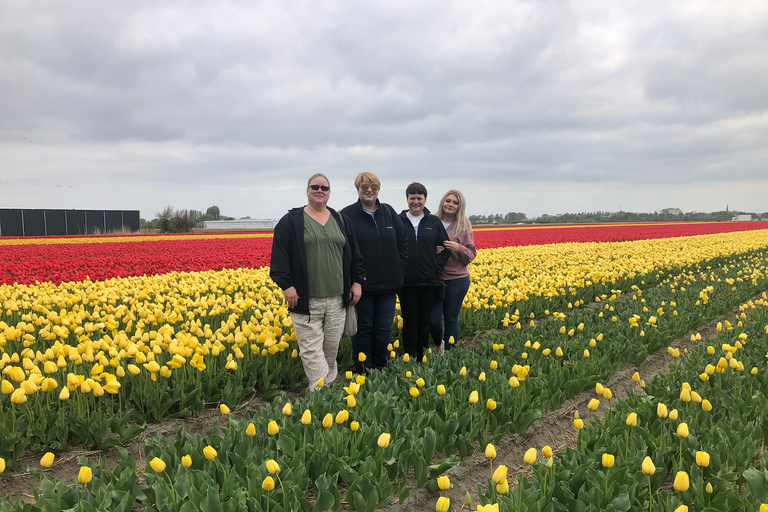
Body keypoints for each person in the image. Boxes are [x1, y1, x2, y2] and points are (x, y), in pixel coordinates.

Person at [270, 173, 365, 391]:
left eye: (324, 187)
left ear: (329, 192)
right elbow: (279, 256)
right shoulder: (291, 221)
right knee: (312, 349)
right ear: (307, 190)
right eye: (315, 187)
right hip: (306, 299)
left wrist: (357, 282)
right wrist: (287, 285)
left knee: (330, 349)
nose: (319, 190)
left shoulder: (341, 220)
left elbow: (355, 255)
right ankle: (322, 396)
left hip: (337, 299)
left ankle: (322, 391)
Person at [341, 172, 408, 373]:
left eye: (373, 187)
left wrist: (400, 270)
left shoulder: (388, 212)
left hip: (388, 285)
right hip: (361, 287)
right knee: (363, 329)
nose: (369, 190)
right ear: (357, 189)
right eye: (364, 187)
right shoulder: (347, 215)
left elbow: (402, 243)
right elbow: (345, 251)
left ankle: (381, 369)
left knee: (384, 329)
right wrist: (355, 280)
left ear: (378, 189)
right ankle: (363, 371)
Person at [398, 182, 450, 362]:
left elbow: (446, 247)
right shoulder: (398, 221)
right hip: (406, 281)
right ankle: (409, 358)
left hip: (429, 281)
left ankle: (420, 358)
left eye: (419, 198)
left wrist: (436, 266)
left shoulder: (433, 222)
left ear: (425, 199)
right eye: (412, 198)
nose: (415, 201)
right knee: (409, 320)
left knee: (424, 321)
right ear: (407, 199)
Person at [430, 189, 476, 354]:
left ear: (459, 206)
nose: (450, 204)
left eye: (455, 202)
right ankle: (439, 344)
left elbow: (471, 255)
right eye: (448, 201)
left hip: (457, 280)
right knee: (433, 320)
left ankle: (451, 354)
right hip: (434, 279)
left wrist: (458, 248)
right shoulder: (431, 221)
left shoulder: (463, 226)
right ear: (443, 202)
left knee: (450, 318)